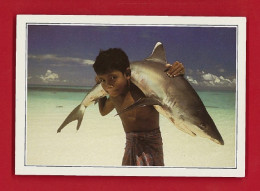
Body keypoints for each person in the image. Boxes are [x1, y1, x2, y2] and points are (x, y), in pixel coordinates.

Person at [93, 48, 185, 166]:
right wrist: (100, 90)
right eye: (103, 80)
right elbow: (103, 111)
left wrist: (177, 72)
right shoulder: (114, 97)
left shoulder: (143, 90)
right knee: (128, 180)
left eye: (113, 78)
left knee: (152, 180)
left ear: (127, 74)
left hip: (151, 143)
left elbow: (166, 85)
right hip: (130, 143)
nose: (108, 85)